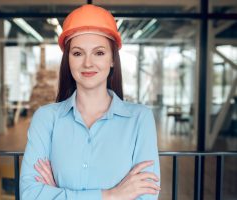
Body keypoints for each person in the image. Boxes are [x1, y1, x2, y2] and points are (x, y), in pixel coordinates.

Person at [20, 4, 160, 200]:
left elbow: (146, 197)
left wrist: (58, 194)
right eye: (77, 53)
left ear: (112, 59)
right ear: (68, 60)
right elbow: (31, 195)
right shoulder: (46, 118)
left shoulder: (140, 119)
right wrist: (112, 195)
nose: (88, 63)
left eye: (99, 53)